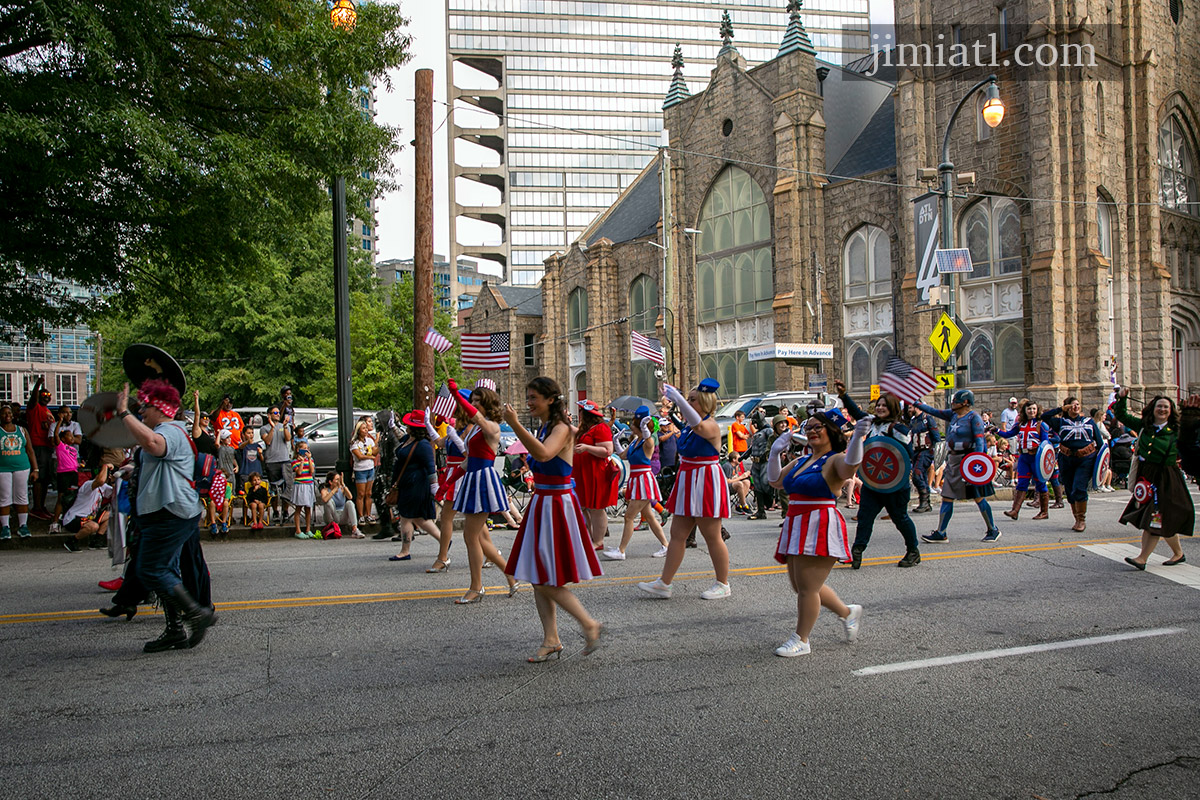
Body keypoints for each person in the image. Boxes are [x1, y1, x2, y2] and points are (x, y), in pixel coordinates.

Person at [502, 377, 604, 662]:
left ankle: (589, 624)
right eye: (528, 397)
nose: (529, 402)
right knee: (538, 576)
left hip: (556, 504)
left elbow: (545, 454)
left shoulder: (561, 429)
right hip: (543, 503)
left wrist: (514, 424)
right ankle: (551, 639)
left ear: (550, 400)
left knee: (546, 577)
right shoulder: (548, 426)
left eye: (533, 397)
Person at [115, 378, 216, 652]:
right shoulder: (167, 429)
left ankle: (196, 614)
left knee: (151, 569)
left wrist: (123, 412)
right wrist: (132, 472)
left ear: (158, 408)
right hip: (168, 513)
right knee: (163, 571)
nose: (142, 413)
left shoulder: (169, 431)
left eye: (144, 407)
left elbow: (151, 443)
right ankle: (175, 630)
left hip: (170, 514)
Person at [767, 411, 870, 656]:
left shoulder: (835, 460)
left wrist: (857, 437)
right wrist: (774, 453)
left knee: (807, 588)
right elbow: (775, 481)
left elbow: (850, 468)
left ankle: (801, 639)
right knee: (802, 585)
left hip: (819, 523)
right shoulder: (802, 460)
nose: (812, 431)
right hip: (796, 522)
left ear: (831, 432)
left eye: (818, 427)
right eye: (809, 428)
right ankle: (848, 613)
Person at [637, 378, 732, 600]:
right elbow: (688, 426)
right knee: (677, 534)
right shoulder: (689, 427)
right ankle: (664, 583)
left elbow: (698, 425)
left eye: (693, 400)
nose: (688, 404)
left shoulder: (709, 425)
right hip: (688, 478)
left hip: (705, 478)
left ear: (706, 402)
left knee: (712, 535)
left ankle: (723, 583)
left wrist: (677, 398)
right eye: (687, 400)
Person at [835, 382, 922, 569]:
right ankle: (857, 552)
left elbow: (907, 455)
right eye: (879, 405)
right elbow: (857, 415)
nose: (881, 408)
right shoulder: (872, 424)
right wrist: (844, 395)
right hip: (873, 483)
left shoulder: (899, 429)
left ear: (892, 408)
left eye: (884, 405)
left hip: (895, 484)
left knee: (900, 518)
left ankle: (913, 551)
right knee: (865, 517)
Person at [448, 379, 519, 603]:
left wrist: (457, 396)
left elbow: (477, 417)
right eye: (472, 401)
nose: (474, 404)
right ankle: (511, 576)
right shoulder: (475, 429)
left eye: (478, 401)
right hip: (473, 478)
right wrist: (447, 483)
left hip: (484, 481)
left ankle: (477, 587)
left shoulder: (492, 427)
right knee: (479, 536)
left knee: (471, 536)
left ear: (488, 404)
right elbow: (468, 461)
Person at [1113, 389, 1193, 568]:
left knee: (1155, 517)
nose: (1162, 409)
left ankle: (1142, 558)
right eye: (1159, 406)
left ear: (1171, 410)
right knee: (1159, 517)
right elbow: (1122, 415)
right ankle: (1178, 553)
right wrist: (1122, 398)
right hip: (1146, 475)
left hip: (1167, 478)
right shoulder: (1144, 425)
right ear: (1153, 408)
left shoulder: (1177, 430)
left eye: (1166, 407)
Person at [916, 390, 1002, 543]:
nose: (953, 402)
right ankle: (941, 532)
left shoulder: (973, 417)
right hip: (954, 461)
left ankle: (992, 529)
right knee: (947, 496)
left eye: (956, 400)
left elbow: (980, 440)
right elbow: (934, 411)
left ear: (965, 402)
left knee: (978, 496)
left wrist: (976, 463)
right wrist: (918, 403)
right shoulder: (953, 415)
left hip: (969, 461)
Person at [604, 405, 669, 560]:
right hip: (636, 479)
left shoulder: (648, 442)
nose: (630, 425)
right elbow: (623, 455)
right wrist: (616, 440)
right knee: (650, 517)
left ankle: (621, 550)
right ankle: (666, 545)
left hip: (643, 480)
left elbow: (648, 441)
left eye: (633, 423)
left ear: (640, 426)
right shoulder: (634, 441)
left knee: (628, 516)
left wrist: (645, 428)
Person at [385, 410, 443, 560]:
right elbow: (400, 436)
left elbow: (431, 468)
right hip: (408, 483)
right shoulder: (409, 439)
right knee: (418, 518)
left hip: (416, 485)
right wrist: (393, 426)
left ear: (413, 427)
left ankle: (405, 551)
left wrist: (434, 487)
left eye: (408, 424)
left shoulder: (423, 445)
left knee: (406, 516)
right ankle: (444, 540)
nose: (405, 426)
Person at [1041, 395, 1105, 532]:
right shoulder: (1061, 422)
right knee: (1070, 489)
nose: (1075, 407)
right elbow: (1044, 417)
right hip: (1067, 458)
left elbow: (1099, 442)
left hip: (1086, 458)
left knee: (1079, 487)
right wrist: (1060, 409)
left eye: (1077, 404)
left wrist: (1102, 463)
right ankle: (1076, 518)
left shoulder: (1089, 422)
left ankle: (1082, 519)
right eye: (1072, 405)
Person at [424, 404, 468, 572]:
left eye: (455, 412)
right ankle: (492, 555)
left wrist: (455, 437)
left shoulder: (469, 429)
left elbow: (469, 455)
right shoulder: (455, 429)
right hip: (452, 472)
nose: (452, 415)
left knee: (450, 516)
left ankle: (443, 557)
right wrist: (428, 424)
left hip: (461, 473)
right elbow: (440, 443)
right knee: (465, 518)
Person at [996, 400, 1057, 520]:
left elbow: (1046, 443)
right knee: (1022, 483)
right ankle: (1015, 511)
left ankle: (1044, 512)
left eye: (1034, 409)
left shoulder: (1041, 425)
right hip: (1024, 457)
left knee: (1040, 483)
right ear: (1024, 410)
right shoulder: (1020, 424)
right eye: (1029, 409)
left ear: (1037, 410)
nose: (1031, 411)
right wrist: (996, 430)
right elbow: (1008, 434)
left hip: (1036, 457)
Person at [573, 399, 618, 550]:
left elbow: (607, 450)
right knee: (585, 506)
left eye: (580, 411)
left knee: (597, 508)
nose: (578, 414)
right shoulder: (586, 428)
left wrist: (587, 447)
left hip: (596, 472)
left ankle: (598, 541)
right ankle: (590, 537)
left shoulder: (601, 428)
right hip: (584, 472)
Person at [0, 403, 37, 539]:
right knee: (4, 497)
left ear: (13, 415)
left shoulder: (21, 430)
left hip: (22, 467)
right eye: (4, 413)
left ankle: (23, 526)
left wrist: (35, 469)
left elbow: (30, 451)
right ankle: (5, 527)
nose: (7, 416)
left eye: (9, 413)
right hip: (3, 469)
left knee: (21, 495)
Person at [49, 406, 83, 534]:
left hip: (73, 473)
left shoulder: (73, 449)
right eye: (69, 436)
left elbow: (73, 460)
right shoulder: (61, 446)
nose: (72, 438)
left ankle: (68, 519)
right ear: (63, 439)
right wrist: (59, 422)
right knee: (61, 497)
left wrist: (79, 465)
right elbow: (55, 436)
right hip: (63, 474)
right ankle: (55, 522)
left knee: (72, 496)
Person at [25, 378, 55, 520]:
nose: (46, 398)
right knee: (39, 478)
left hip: (48, 447)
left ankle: (42, 506)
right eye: (43, 396)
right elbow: (32, 400)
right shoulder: (34, 408)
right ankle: (36, 507)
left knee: (45, 479)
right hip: (38, 445)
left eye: (48, 396)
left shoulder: (47, 410)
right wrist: (38, 385)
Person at [260, 405, 291, 525]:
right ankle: (275, 511)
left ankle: (285, 511)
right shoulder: (264, 428)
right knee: (274, 488)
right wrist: (273, 428)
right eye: (275, 412)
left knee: (286, 487)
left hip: (284, 460)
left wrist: (285, 427)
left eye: (278, 412)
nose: (278, 414)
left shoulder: (283, 426)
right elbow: (267, 441)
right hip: (272, 461)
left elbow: (288, 439)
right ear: (269, 415)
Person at [906, 404, 940, 514]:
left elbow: (936, 436)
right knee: (922, 476)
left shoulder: (927, 419)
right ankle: (925, 503)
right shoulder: (912, 421)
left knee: (917, 474)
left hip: (926, 451)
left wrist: (936, 453)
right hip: (916, 451)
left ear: (917, 407)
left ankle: (924, 502)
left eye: (911, 407)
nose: (909, 410)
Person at [350, 417, 378, 524]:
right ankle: (361, 515)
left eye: (366, 428)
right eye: (363, 428)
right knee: (361, 494)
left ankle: (368, 514)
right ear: (358, 431)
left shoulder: (370, 440)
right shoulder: (355, 443)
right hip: (360, 470)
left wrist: (377, 441)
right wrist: (370, 457)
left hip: (370, 469)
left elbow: (375, 451)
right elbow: (359, 456)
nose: (366, 430)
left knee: (368, 493)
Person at [290, 438, 317, 538]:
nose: (306, 450)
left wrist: (309, 459)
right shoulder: (295, 461)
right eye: (303, 449)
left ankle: (308, 529)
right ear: (298, 450)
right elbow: (299, 472)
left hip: (309, 484)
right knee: (299, 507)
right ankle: (298, 530)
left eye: (307, 448)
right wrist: (301, 462)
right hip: (300, 485)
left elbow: (311, 470)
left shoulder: (310, 460)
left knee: (308, 508)